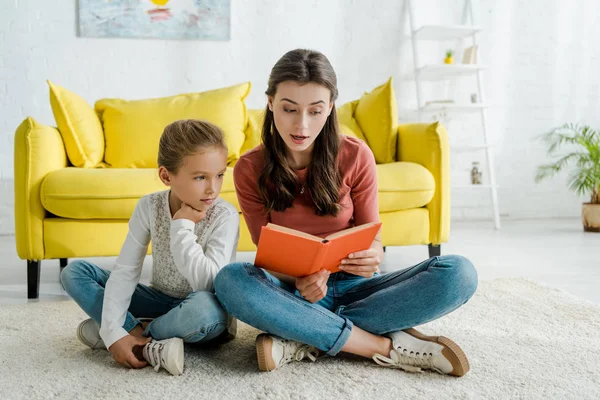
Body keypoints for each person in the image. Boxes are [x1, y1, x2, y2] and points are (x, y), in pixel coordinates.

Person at [214, 49, 478, 377]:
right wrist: (300, 280)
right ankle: (382, 346)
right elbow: (266, 255)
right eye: (289, 109)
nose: (302, 125)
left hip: (358, 288)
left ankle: (303, 335)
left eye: (316, 110)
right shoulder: (249, 168)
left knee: (459, 273)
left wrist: (372, 254)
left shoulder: (355, 155)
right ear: (270, 103)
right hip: (294, 292)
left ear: (331, 108)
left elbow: (373, 239)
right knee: (230, 280)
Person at [61, 119, 240, 375]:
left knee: (203, 311)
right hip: (160, 299)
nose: (213, 188)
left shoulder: (225, 215)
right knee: (74, 272)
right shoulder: (149, 207)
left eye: (220, 174)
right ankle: (132, 334)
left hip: (204, 307)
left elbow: (207, 285)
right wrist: (114, 333)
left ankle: (139, 332)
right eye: (200, 177)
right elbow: (125, 271)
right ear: (166, 176)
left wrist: (182, 227)